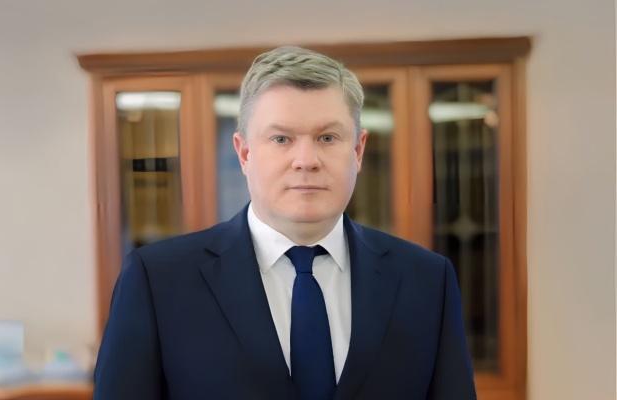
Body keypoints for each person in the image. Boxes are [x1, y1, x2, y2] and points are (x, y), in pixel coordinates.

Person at [93, 46, 476, 400]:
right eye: (281, 139)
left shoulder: (427, 280)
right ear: (244, 153)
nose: (306, 160)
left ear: (358, 150)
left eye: (327, 137)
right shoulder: (158, 281)